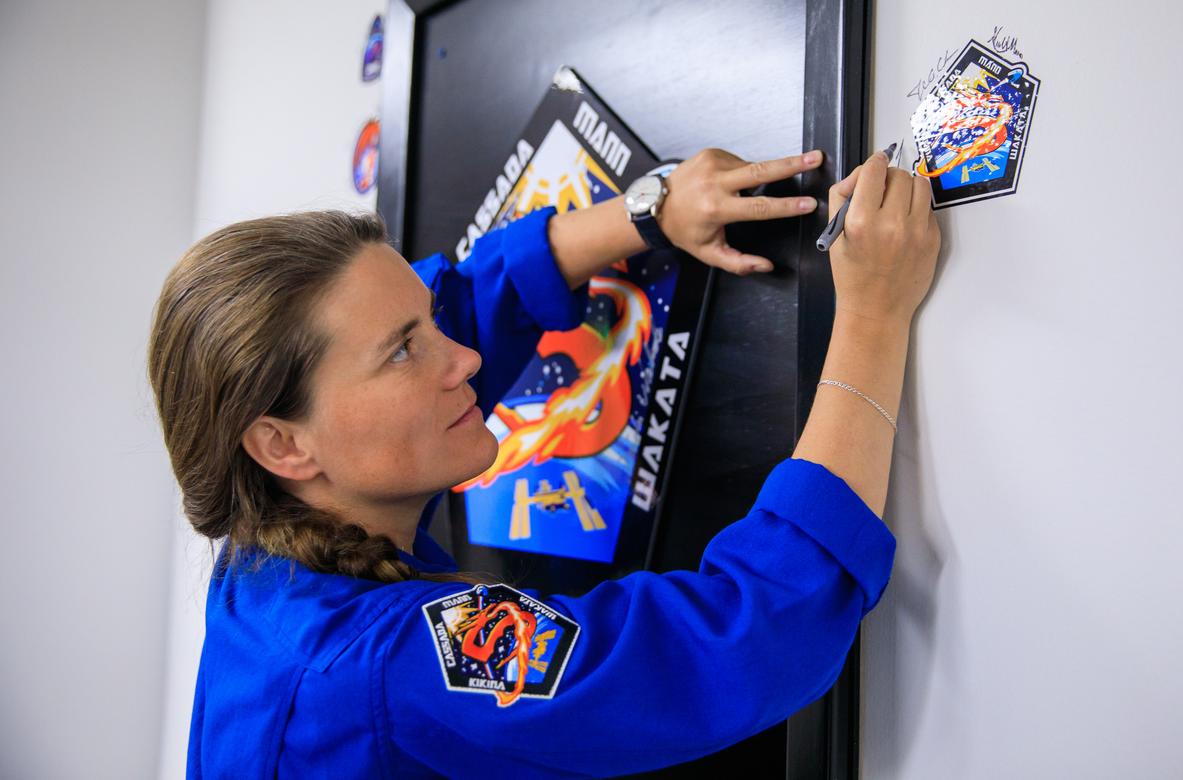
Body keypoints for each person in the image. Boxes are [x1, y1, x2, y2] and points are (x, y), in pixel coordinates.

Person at [148, 147, 939, 778]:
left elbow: (452, 300)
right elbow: (739, 645)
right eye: (403, 353)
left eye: (426, 325)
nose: (460, 357)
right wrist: (871, 314)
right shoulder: (386, 668)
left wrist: (650, 210)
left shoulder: (269, 539)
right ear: (282, 442)